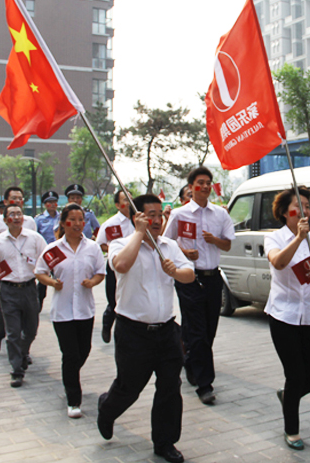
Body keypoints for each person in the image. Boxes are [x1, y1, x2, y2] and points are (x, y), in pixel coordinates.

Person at [97, 194, 195, 463]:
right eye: (149, 215)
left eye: (159, 215)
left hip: (167, 331)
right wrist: (138, 235)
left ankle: (165, 442)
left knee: (169, 388)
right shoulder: (120, 244)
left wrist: (175, 271)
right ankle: (107, 408)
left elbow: (190, 275)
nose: (156, 220)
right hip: (133, 333)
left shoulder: (170, 246)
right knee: (129, 387)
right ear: (136, 217)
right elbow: (121, 265)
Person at [264, 185, 310, 451]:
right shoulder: (275, 238)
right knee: (295, 376)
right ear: (285, 211)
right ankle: (292, 430)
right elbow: (279, 263)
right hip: (284, 316)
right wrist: (298, 239)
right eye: (298, 206)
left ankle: (287, 397)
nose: (305, 211)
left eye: (308, 206)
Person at [162, 166, 235, 405]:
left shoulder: (220, 215)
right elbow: (166, 244)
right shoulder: (180, 214)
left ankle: (192, 361)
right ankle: (205, 385)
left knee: (208, 331)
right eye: (200, 182)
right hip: (189, 280)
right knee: (197, 330)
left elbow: (227, 246)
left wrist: (215, 240)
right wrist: (184, 251)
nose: (204, 187)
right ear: (191, 187)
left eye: (208, 183)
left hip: (213, 278)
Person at [35, 204, 106, 418]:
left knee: (83, 351)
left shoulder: (92, 248)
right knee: (70, 354)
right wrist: (52, 282)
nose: (77, 224)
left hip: (85, 310)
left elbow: (100, 273)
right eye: (72, 220)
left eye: (80, 220)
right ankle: (73, 399)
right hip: (62, 312)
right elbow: (40, 272)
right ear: (63, 222)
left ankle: (69, 376)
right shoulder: (54, 249)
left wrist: (92, 282)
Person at [0, 203, 47, 388]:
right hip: (8, 290)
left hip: (29, 288)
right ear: (5, 220)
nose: (17, 217)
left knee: (32, 329)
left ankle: (23, 352)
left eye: (19, 214)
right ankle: (17, 370)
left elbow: (46, 257)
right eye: (12, 214)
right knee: (12, 333)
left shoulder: (34, 238)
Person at [0, 186, 37, 353]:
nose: (17, 201)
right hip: (3, 275)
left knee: (26, 320)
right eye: (13, 198)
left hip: (25, 275)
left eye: (20, 198)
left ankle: (22, 351)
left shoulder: (30, 222)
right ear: (5, 202)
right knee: (3, 312)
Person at [95, 189, 134, 343]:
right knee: (113, 300)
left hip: (135, 268)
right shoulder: (110, 224)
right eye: (125, 200)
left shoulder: (138, 220)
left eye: (131, 199)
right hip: (115, 267)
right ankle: (107, 323)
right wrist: (116, 252)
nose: (129, 202)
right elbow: (100, 244)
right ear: (118, 205)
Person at [34, 191, 61, 311]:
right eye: (49, 203)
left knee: (61, 279)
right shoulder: (39, 219)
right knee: (42, 283)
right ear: (45, 204)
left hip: (59, 253)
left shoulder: (62, 217)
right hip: (44, 254)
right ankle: (37, 306)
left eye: (54, 202)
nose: (52, 205)